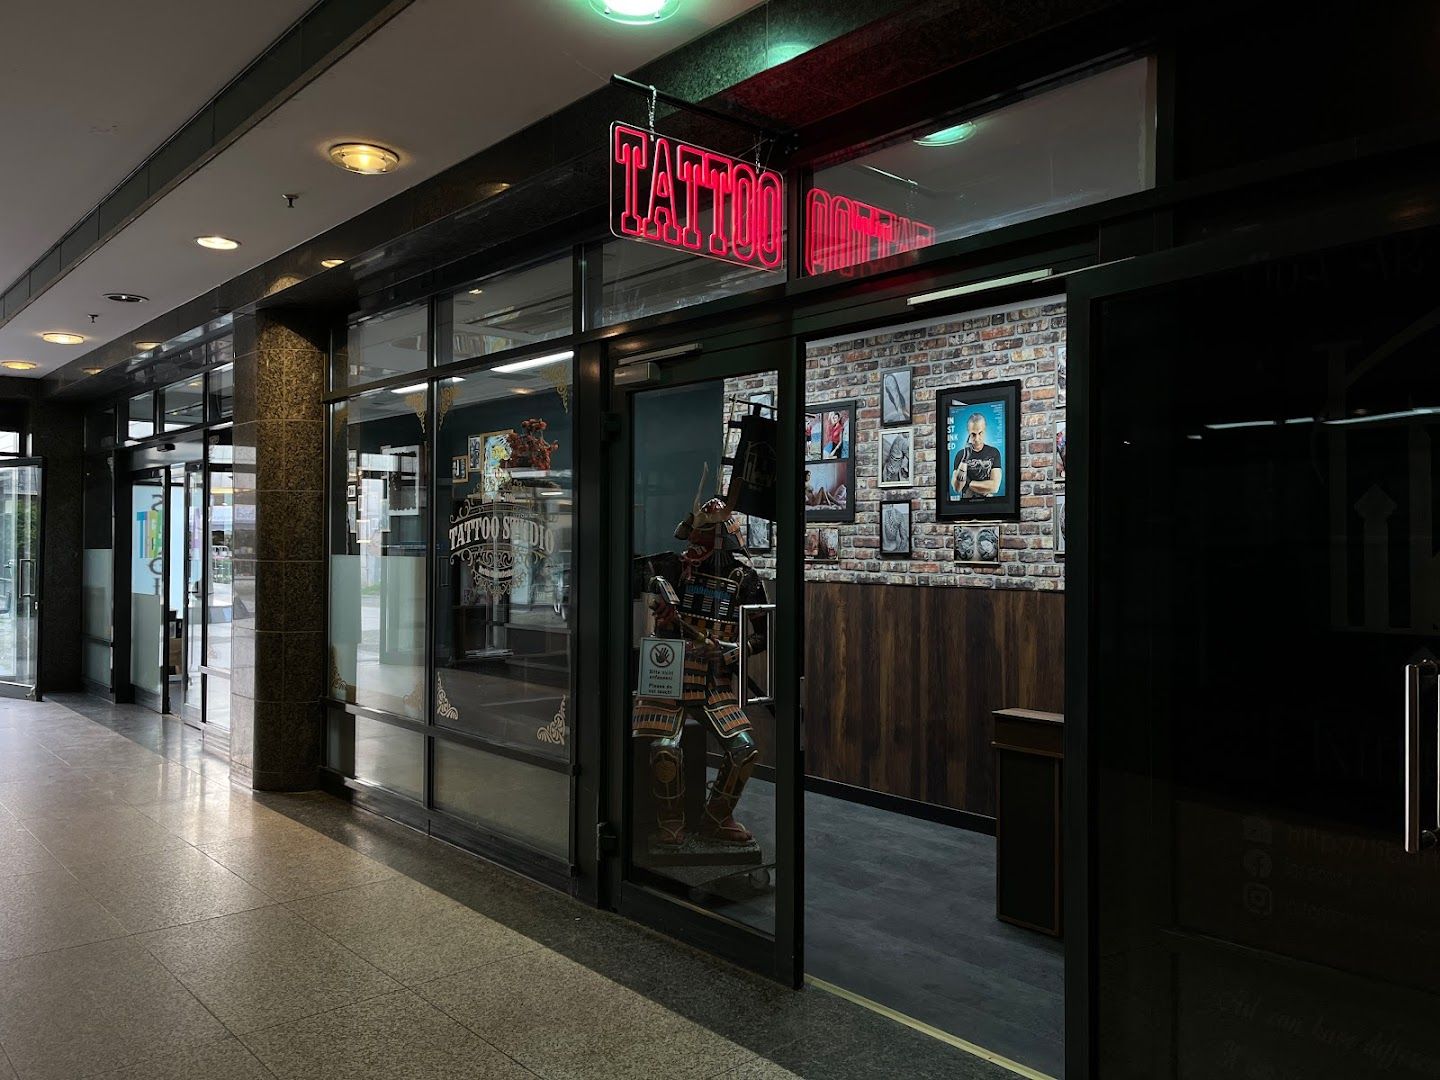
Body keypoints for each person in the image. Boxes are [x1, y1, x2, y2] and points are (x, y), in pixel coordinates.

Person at [631, 470, 767, 847]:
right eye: (693, 537)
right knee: (664, 751)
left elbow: (764, 634)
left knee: (743, 751)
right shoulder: (672, 568)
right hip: (668, 673)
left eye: (702, 538)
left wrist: (730, 651)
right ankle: (670, 821)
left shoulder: (745, 579)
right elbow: (637, 576)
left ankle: (716, 817)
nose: (693, 545)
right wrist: (659, 600)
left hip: (712, 678)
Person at [951, 412, 1003, 499]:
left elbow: (994, 487)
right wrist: (964, 459)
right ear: (968, 433)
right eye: (973, 434)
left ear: (985, 430)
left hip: (989, 505)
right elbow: (957, 488)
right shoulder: (960, 455)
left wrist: (968, 483)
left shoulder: (994, 452)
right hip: (966, 506)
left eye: (980, 433)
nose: (977, 439)